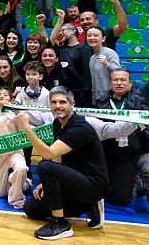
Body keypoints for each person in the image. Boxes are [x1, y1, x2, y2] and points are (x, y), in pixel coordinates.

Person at [94, 45, 149, 218]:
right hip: (119, 158)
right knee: (120, 200)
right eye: (115, 80)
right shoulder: (101, 103)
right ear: (110, 83)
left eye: (123, 80)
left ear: (130, 83)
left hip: (143, 151)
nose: (119, 83)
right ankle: (138, 182)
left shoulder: (142, 94)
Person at [18, 86, 110, 240]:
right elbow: (57, 157)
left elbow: (48, 153)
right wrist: (45, 184)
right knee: (32, 209)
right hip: (74, 179)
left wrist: (26, 127)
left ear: (72, 104)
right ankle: (88, 205)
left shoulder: (80, 128)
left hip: (93, 184)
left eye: (62, 102)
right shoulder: (58, 124)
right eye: (54, 102)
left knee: (45, 166)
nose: (58, 106)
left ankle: (60, 224)